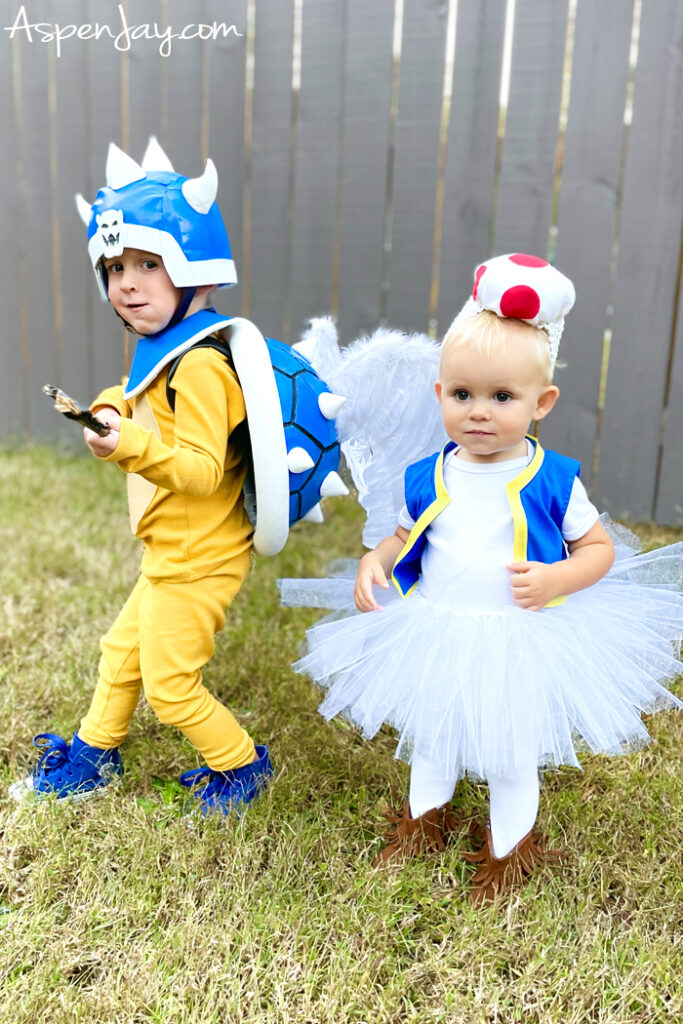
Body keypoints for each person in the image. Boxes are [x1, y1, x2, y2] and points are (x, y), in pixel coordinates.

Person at [286, 253, 683, 902]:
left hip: (519, 635)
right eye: (462, 394)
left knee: (507, 754)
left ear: (540, 402)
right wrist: (374, 559)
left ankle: (507, 852)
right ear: (440, 394)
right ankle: (421, 824)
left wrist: (560, 578)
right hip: (438, 628)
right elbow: (405, 532)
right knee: (432, 739)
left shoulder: (550, 479)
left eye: (501, 398)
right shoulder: (431, 472)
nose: (478, 412)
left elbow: (597, 549)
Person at [10, 138, 274, 815]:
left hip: (202, 557)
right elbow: (136, 398)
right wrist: (109, 409)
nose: (127, 282)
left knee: (171, 685)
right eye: (116, 265)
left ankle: (242, 766)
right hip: (170, 552)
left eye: (149, 264)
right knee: (119, 651)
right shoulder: (166, 349)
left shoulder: (204, 366)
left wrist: (126, 442)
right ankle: (95, 753)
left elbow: (198, 469)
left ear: (194, 271)